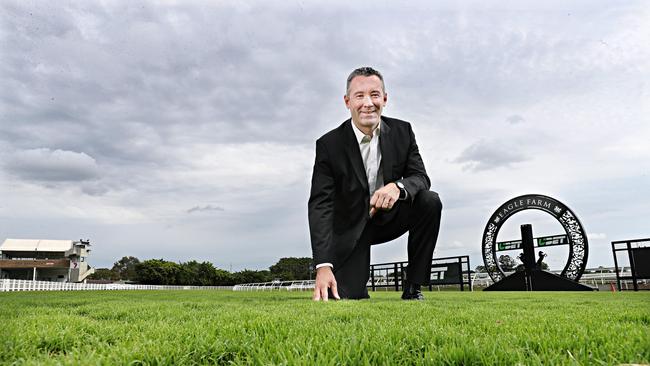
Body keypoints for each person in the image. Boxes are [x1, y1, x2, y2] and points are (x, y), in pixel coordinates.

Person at [308, 67, 442, 301]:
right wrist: (323, 264)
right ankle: (348, 279)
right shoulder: (329, 145)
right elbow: (321, 205)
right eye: (359, 96)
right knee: (347, 296)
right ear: (347, 102)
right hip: (351, 226)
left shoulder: (404, 131)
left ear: (385, 99)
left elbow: (421, 178)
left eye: (375, 94)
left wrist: (397, 187)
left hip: (390, 218)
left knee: (429, 200)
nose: (368, 103)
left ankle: (413, 286)